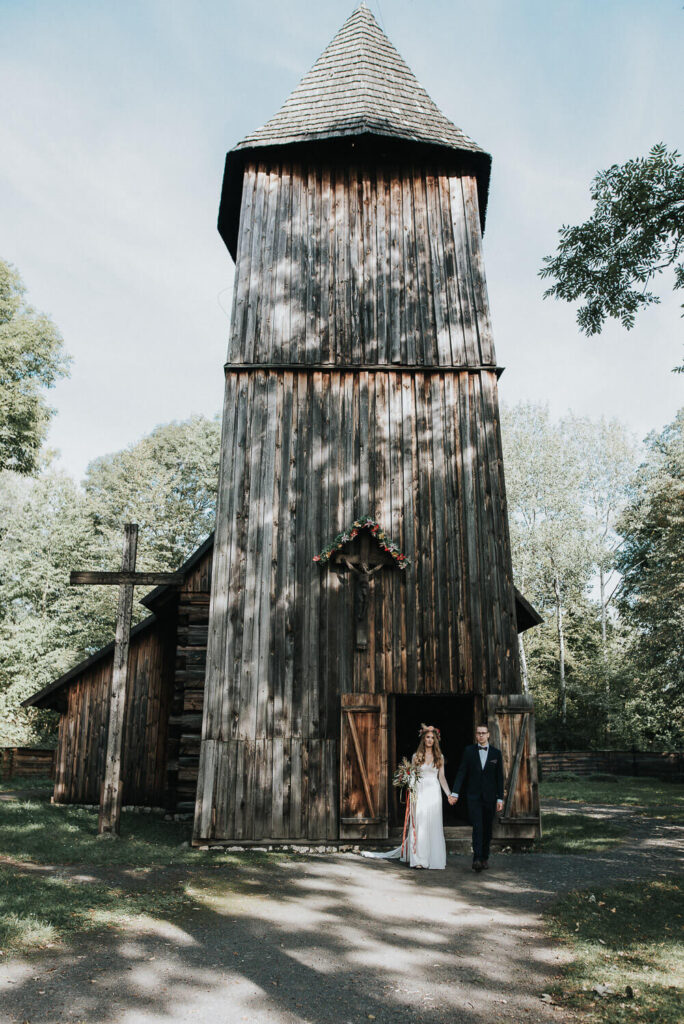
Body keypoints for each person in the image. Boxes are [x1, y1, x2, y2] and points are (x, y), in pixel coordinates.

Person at [362, 723, 451, 869]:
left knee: (433, 824)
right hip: (420, 792)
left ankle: (433, 859)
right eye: (427, 737)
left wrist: (448, 794)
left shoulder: (439, 757)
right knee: (420, 824)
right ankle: (419, 860)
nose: (430, 740)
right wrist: (410, 787)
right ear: (423, 739)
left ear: (436, 740)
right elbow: (413, 776)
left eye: (432, 738)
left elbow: (442, 778)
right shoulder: (416, 756)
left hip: (434, 793)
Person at [449, 724, 504, 872]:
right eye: (478, 733)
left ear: (488, 735)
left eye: (483, 733)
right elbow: (462, 772)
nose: (480, 735)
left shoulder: (496, 753)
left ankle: (485, 857)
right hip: (473, 797)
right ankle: (477, 859)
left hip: (490, 797)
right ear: (476, 735)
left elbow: (499, 778)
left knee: (487, 829)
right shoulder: (469, 751)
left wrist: (500, 799)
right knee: (477, 827)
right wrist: (455, 793)